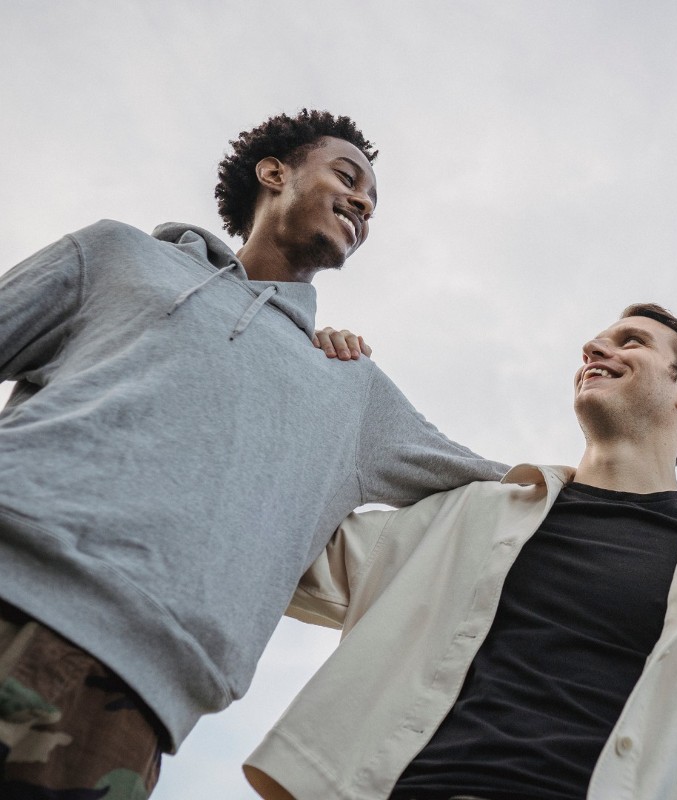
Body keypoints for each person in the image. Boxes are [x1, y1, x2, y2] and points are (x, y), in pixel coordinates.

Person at [0, 109, 508, 798]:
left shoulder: (350, 386)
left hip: (129, 694)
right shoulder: (117, 254)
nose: (362, 202)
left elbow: (508, 489)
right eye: (347, 176)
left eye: (373, 202)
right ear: (275, 173)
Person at [244, 303, 677, 800]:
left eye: (631, 341)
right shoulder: (469, 513)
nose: (594, 349)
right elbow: (266, 536)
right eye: (596, 342)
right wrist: (312, 382)